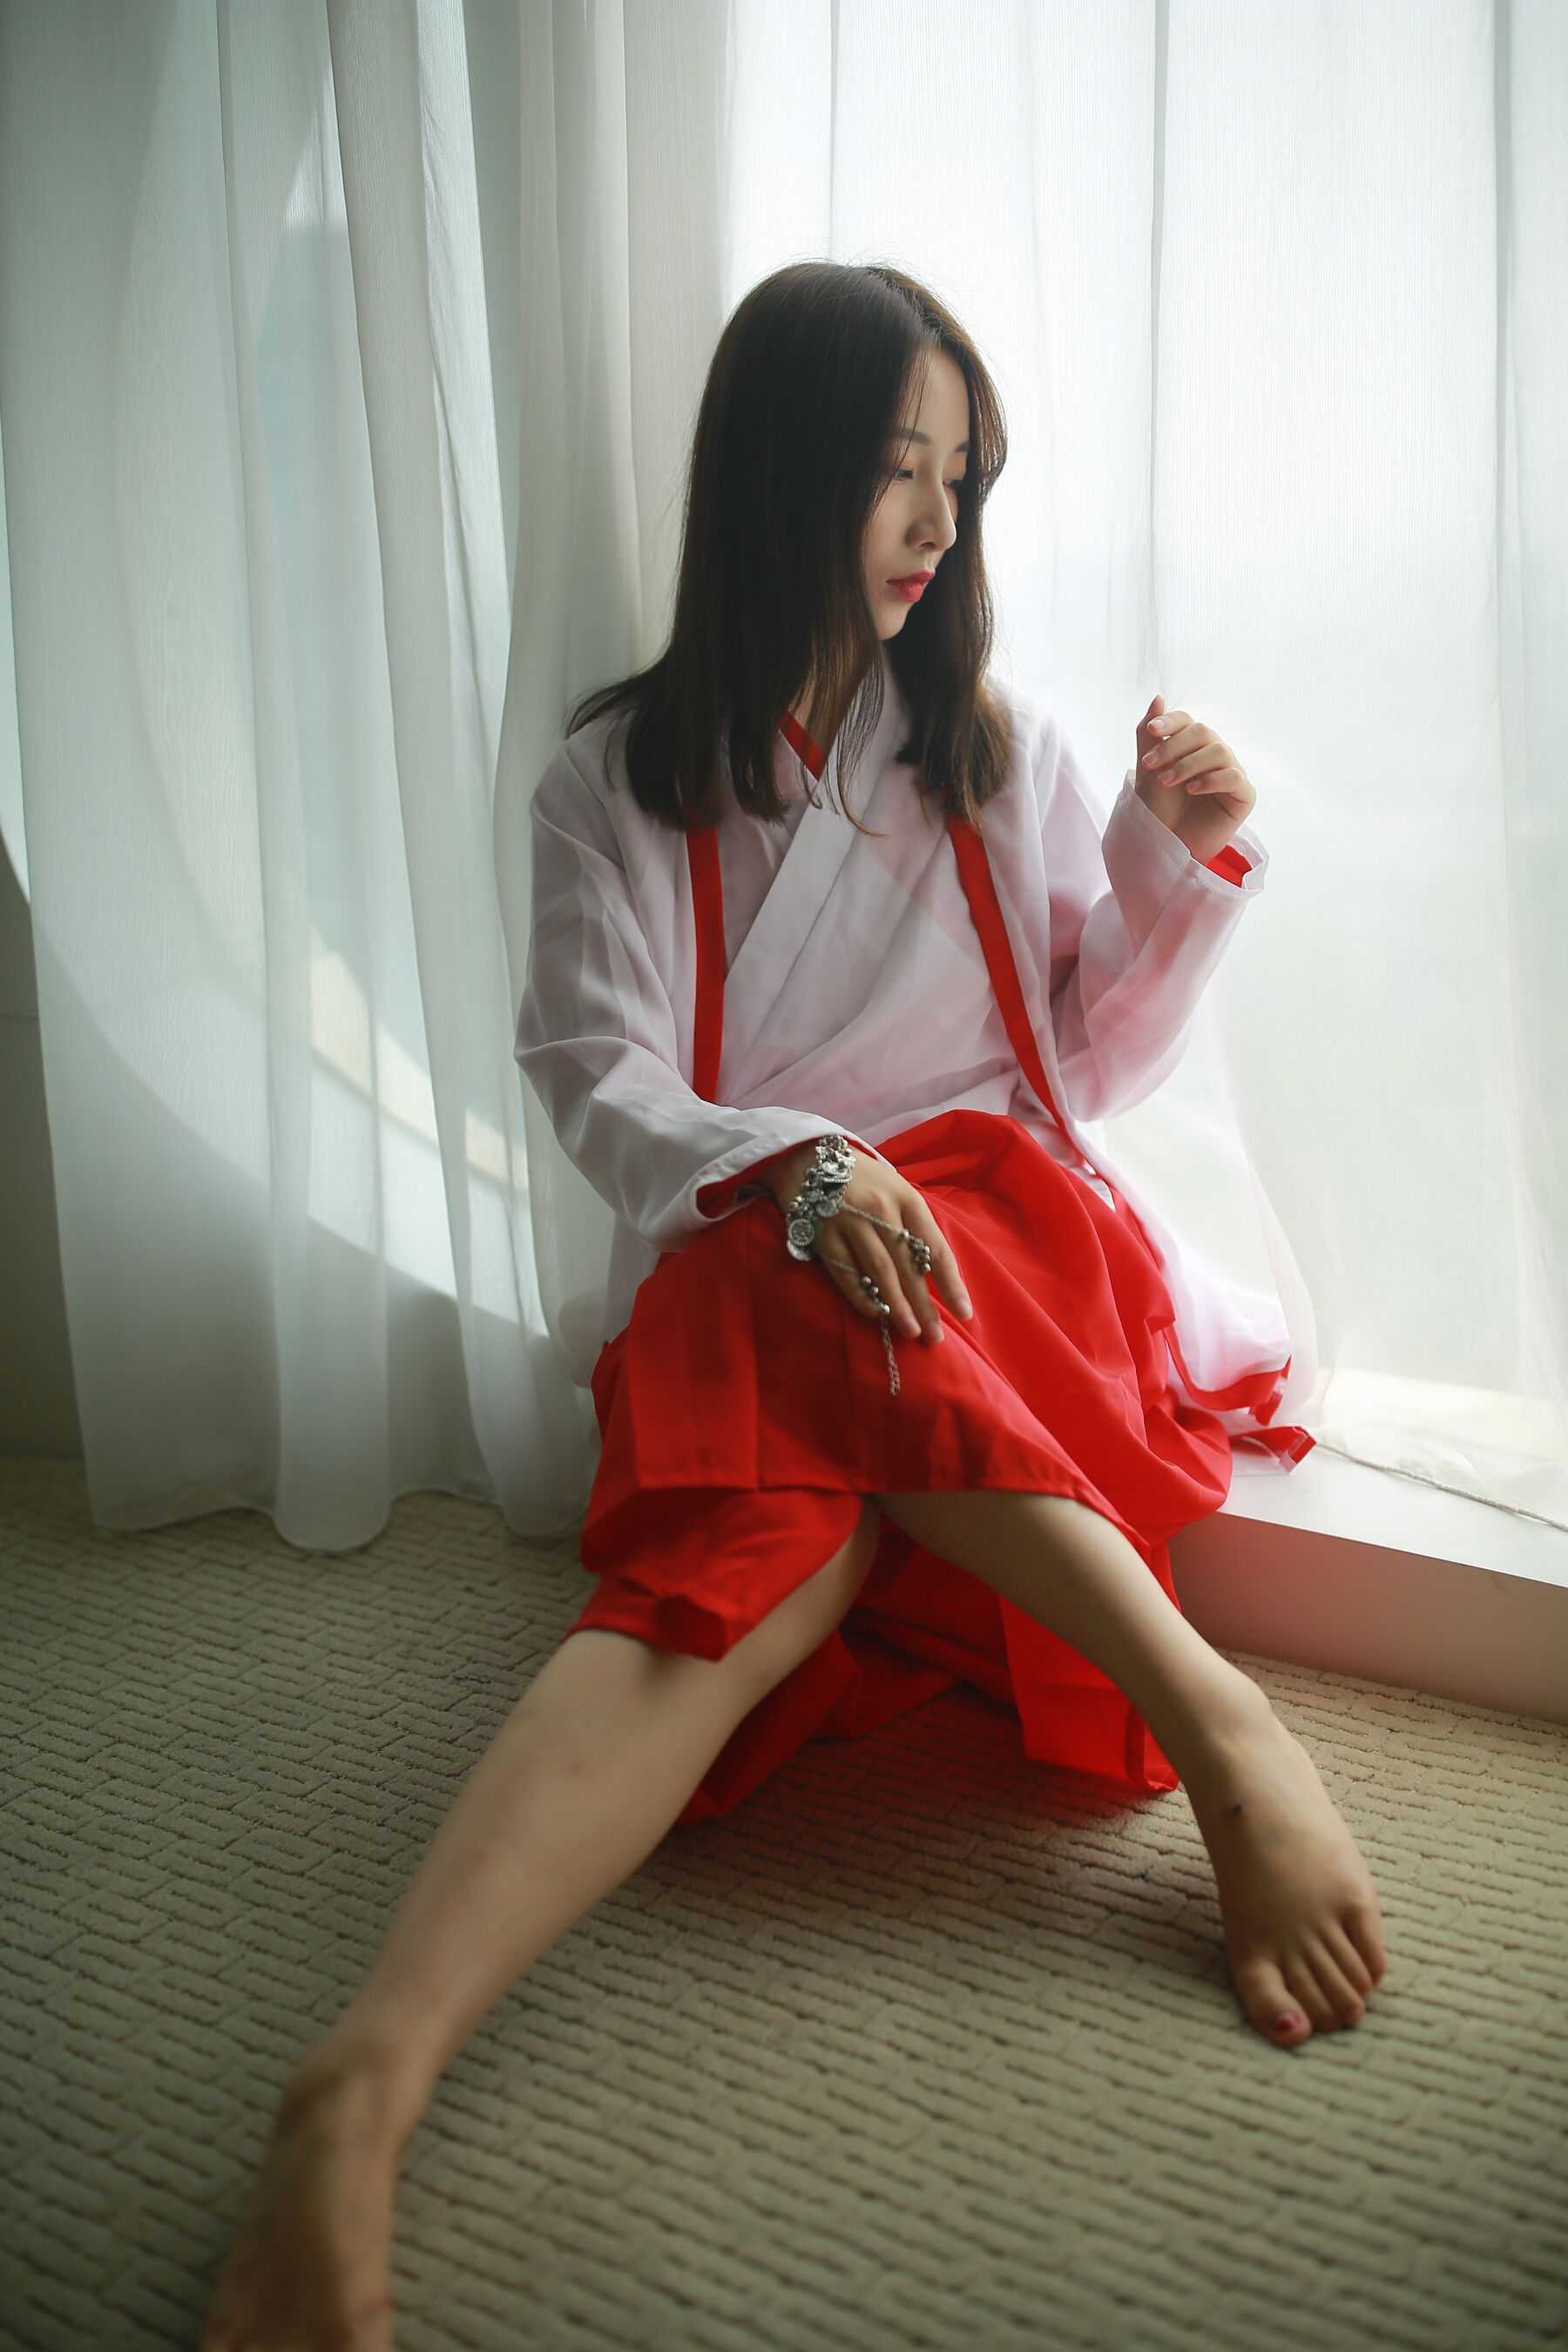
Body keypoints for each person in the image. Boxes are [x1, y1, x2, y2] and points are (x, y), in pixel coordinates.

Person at [201, 260, 1388, 2352]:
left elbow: (1081, 1062)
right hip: (761, 1245)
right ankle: (362, 2083)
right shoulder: (618, 780)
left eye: (962, 475)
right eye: (894, 467)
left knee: (848, 1333)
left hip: (998, 1253)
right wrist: (801, 1166)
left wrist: (1169, 859)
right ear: (780, 471)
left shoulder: (990, 750)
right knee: (751, 1516)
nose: (937, 520)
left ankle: (1219, 1730)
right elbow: (597, 1075)